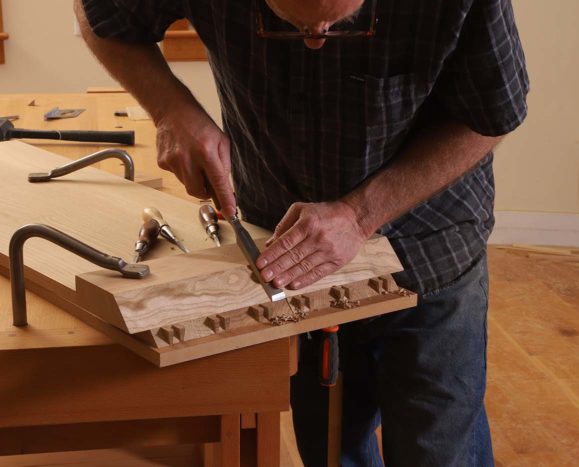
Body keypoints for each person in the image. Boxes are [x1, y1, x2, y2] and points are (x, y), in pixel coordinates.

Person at [75, 0, 528, 464]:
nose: (315, 41)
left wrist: (358, 215)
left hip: (429, 241)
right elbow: (98, 17)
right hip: (288, 256)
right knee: (330, 447)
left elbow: (492, 117)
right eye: (294, 25)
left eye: (338, 26)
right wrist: (170, 109)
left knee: (436, 450)